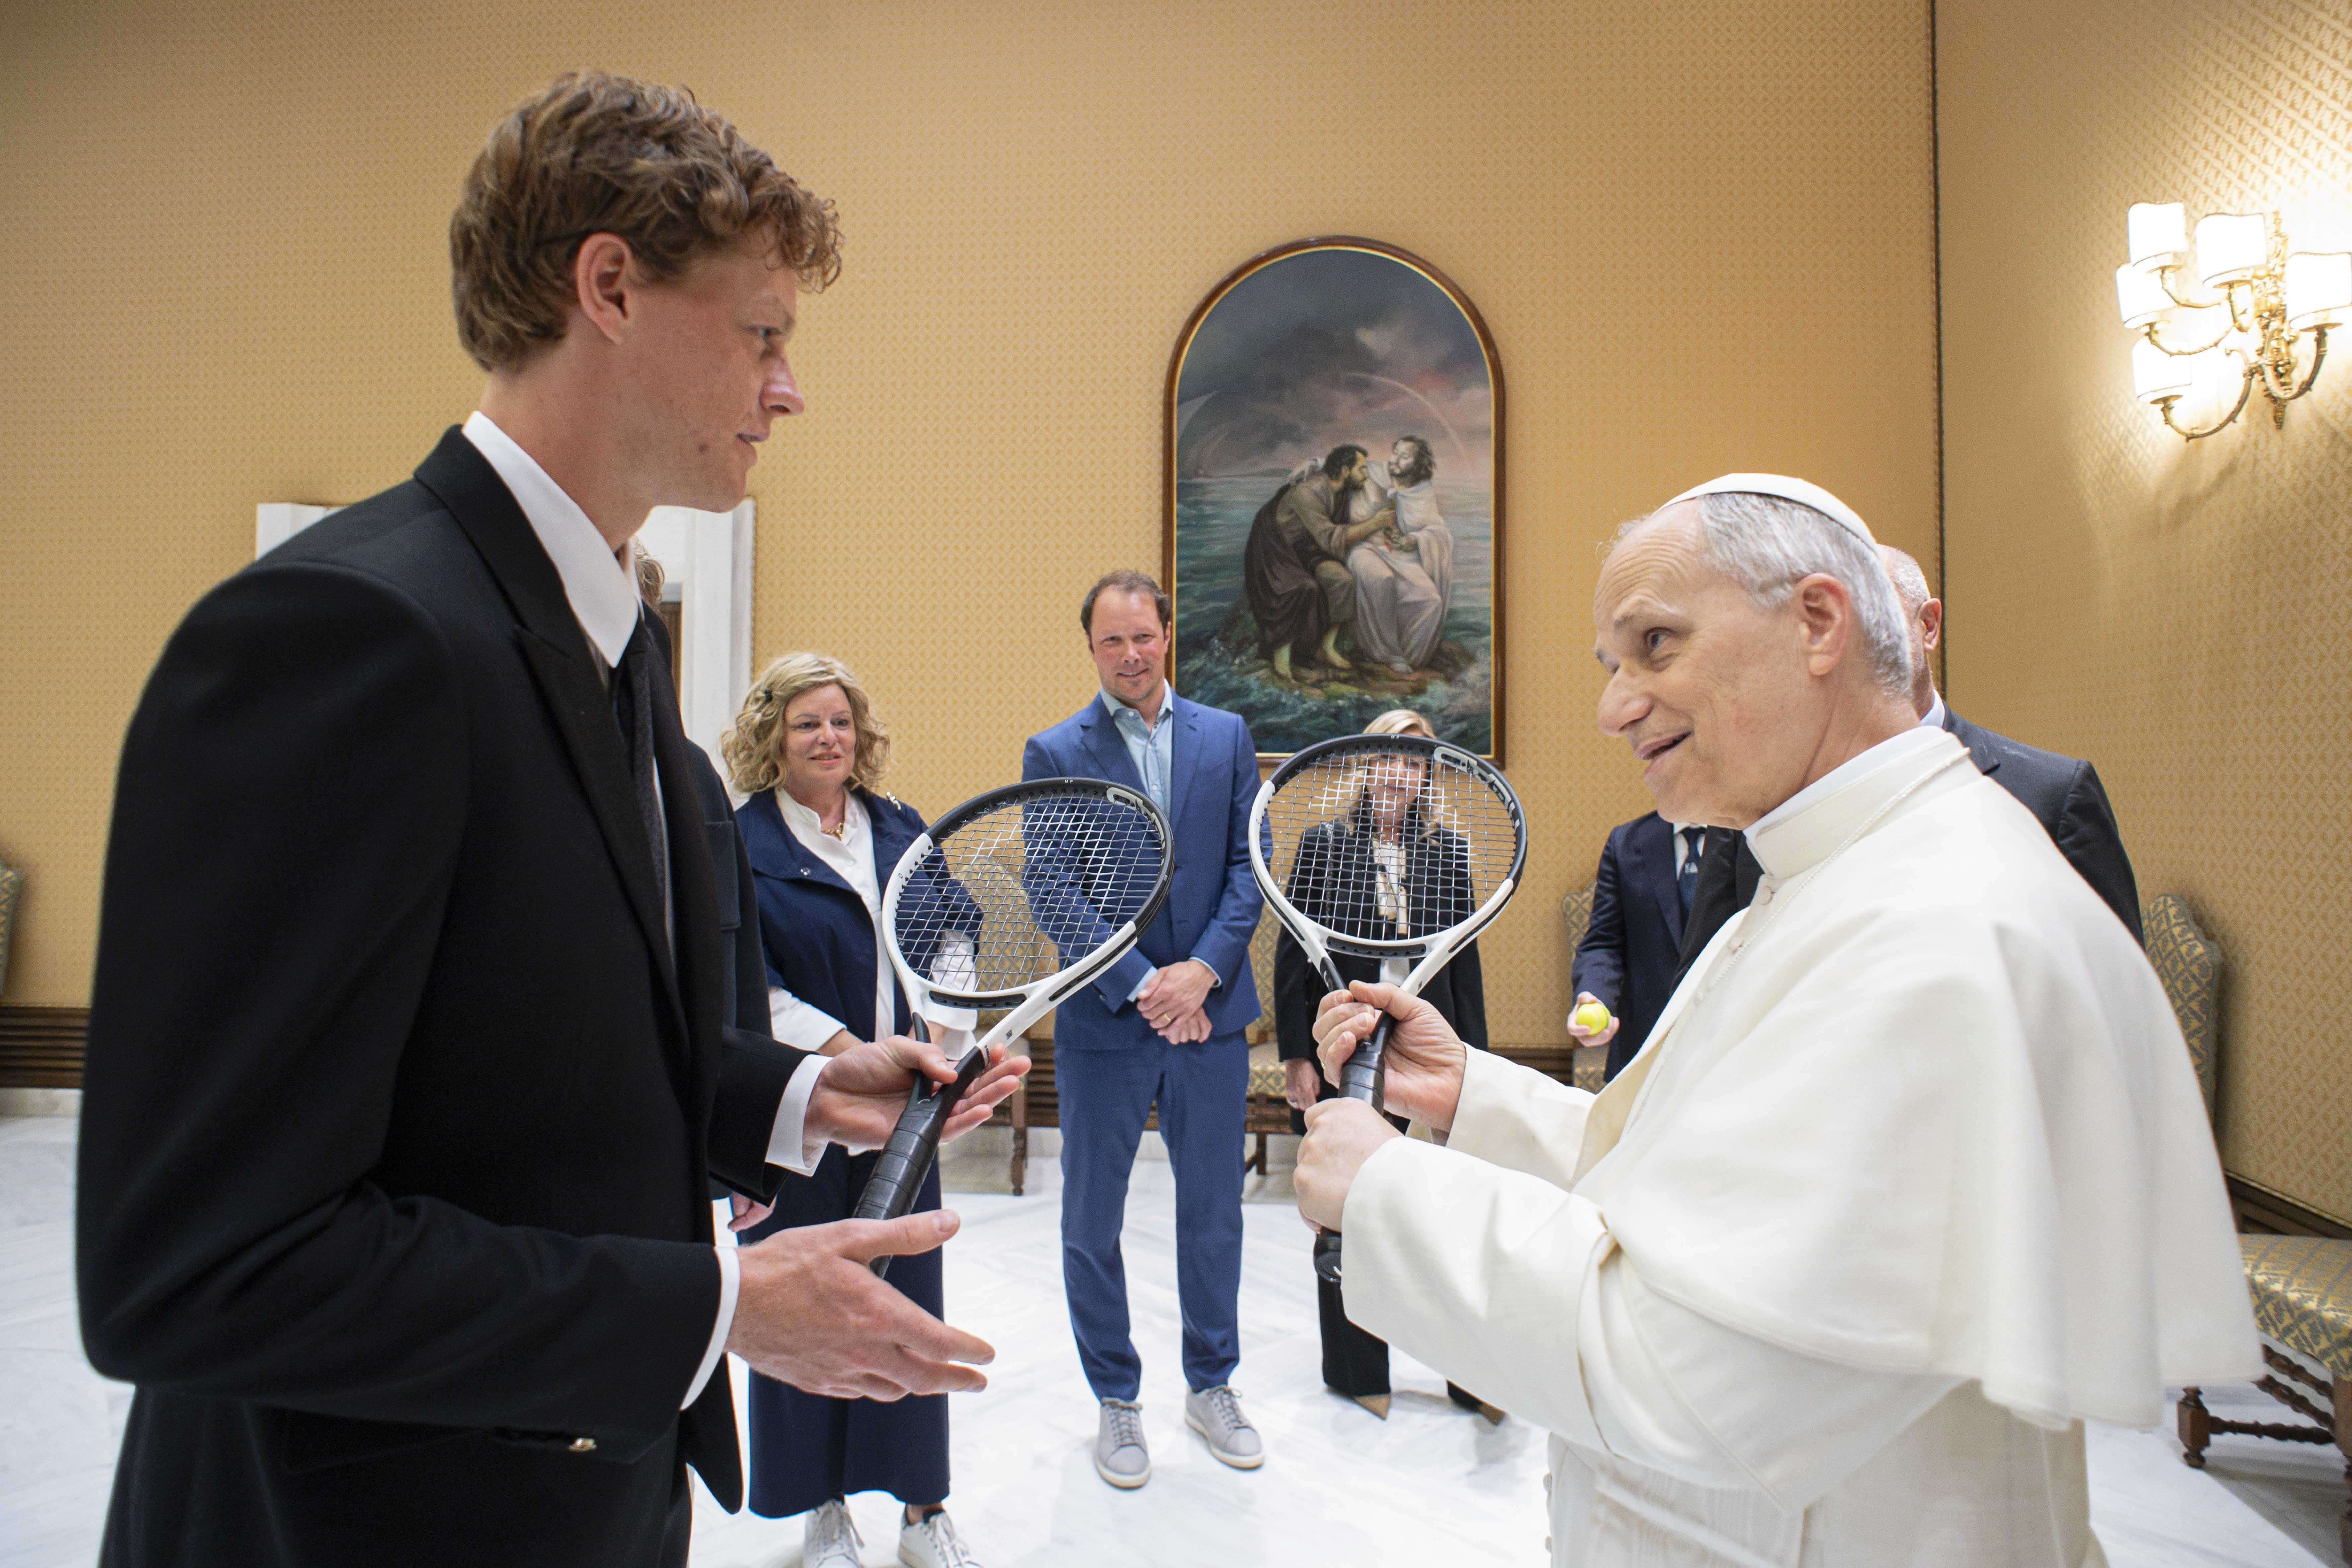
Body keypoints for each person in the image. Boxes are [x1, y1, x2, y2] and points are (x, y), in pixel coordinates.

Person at [75, 72, 1022, 1568]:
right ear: (611, 287)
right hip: (364, 1521)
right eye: (764, 332)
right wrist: (718, 1310)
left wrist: (788, 1092)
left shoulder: (617, 637)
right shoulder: (345, 634)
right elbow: (199, 1268)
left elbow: (520, 1060)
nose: (790, 387)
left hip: (582, 1498)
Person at [1294, 474, 2254, 1566]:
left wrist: (1387, 1187)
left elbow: (1684, 1375)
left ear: (1815, 623)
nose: (1613, 706)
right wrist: (1480, 1095)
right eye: (1612, 666)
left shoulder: (1934, 925)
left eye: (1654, 643)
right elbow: (1702, 1186)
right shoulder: (1841, 865)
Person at [721, 654, 981, 1568]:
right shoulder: (741, 839)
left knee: (906, 1299)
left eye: (838, 721)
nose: (827, 737)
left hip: (911, 1101)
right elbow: (748, 981)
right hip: (799, 1105)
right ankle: (821, 1507)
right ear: (770, 739)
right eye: (805, 724)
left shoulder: (900, 827)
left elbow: (953, 930)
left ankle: (923, 1507)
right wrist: (844, 1058)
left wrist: (939, 1036)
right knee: (798, 1298)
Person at [1022, 569, 1267, 1489]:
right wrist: (1140, 983)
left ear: (1168, 635)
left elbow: (1253, 864)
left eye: (1142, 635)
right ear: (1089, 648)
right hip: (1104, 1023)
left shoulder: (1227, 736)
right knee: (1091, 1217)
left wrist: (1200, 971)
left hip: (1210, 1016)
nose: (1129, 654)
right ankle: (1115, 1398)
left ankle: (1212, 1384)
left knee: (1211, 1212)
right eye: (1109, 641)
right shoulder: (1054, 751)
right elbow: (1049, 883)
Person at [1675, 539, 2145, 982]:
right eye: (1826, 631)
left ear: (1928, 626)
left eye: (1872, 618)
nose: (1848, 648)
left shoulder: (2051, 795)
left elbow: (2115, 997)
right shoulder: (1764, 797)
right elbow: (1702, 984)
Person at [1273, 709, 1496, 1422]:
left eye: (1416, 760)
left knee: (1447, 1210)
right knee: (1350, 1205)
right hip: (1350, 1040)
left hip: (1430, 1043)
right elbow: (1291, 955)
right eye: (1388, 756)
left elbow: (1464, 964)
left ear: (1426, 775)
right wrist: (1297, 1055)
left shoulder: (1448, 851)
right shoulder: (1323, 845)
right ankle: (1356, 1371)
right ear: (1366, 766)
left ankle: (1474, 1377)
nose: (1401, 771)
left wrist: (1477, 1064)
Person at [1568, 810, 1702, 1081]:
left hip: (1731, 1045)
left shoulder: (1749, 834)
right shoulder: (1627, 841)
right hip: (1643, 1047)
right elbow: (1604, 942)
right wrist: (1595, 994)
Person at [1242, 445, 1396, 678]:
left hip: (1306, 550)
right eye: (1362, 469)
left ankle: (1327, 647)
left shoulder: (1339, 490)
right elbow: (1330, 537)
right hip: (1277, 553)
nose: (1367, 475)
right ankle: (1282, 660)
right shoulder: (1308, 492)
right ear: (1345, 470)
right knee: (1306, 588)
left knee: (1343, 580)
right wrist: (1374, 524)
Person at [1346, 436, 1457, 672]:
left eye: (1404, 456)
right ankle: (1387, 653)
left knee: (1431, 601)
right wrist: (1313, 464)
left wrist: (1413, 540)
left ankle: (1411, 657)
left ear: (1417, 464)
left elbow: (1437, 530)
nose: (1394, 460)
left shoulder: (1422, 491)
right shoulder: (1374, 472)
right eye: (1395, 452)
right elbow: (1337, 465)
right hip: (1365, 548)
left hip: (1400, 557)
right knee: (1381, 580)